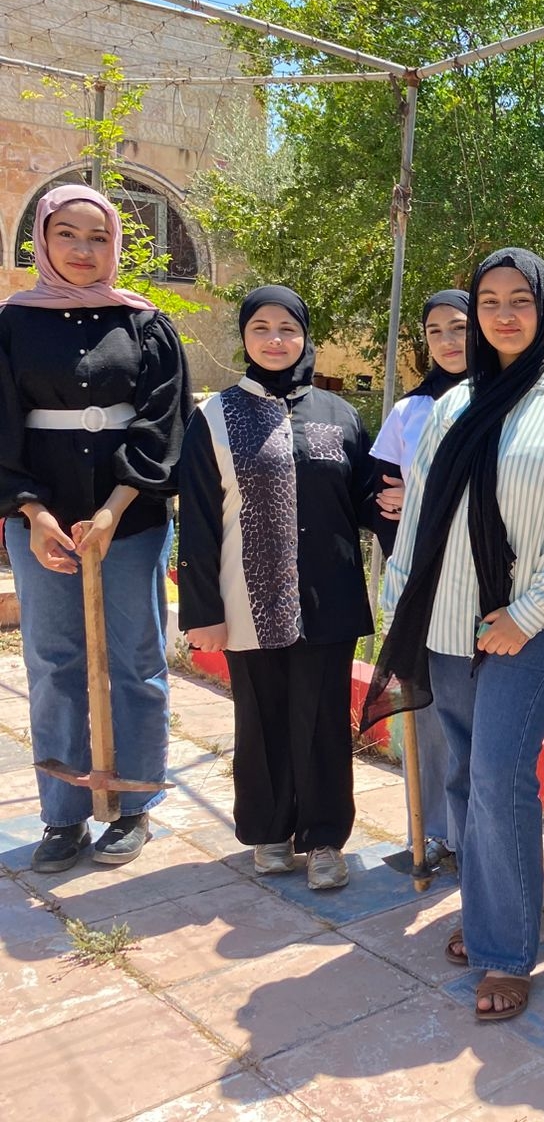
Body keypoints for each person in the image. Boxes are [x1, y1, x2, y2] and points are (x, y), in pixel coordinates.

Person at [367, 247, 544, 1022]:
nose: (505, 315)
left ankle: (507, 949)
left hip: (532, 625)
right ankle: (489, 911)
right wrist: (399, 601)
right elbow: (421, 515)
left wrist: (528, 611)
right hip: (448, 618)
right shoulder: (456, 402)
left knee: (501, 772)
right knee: (467, 772)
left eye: (520, 300)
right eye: (490, 302)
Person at [0, 183, 191, 872]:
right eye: (67, 235)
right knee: (55, 662)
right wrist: (32, 511)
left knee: (136, 659)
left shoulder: (145, 325)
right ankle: (64, 814)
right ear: (42, 240)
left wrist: (113, 509)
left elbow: (163, 421)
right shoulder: (12, 324)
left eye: (98, 237)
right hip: (41, 521)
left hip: (130, 520)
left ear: (116, 244)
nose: (83, 250)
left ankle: (133, 802)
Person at [179, 286, 377, 890]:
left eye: (287, 328)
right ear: (244, 336)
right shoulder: (215, 416)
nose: (275, 339)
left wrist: (391, 502)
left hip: (328, 595)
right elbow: (198, 519)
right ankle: (269, 829)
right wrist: (203, 611)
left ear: (305, 335)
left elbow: (364, 498)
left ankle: (324, 839)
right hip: (248, 596)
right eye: (260, 327)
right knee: (261, 716)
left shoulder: (338, 414)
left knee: (322, 720)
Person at [369, 288, 470, 870]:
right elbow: (383, 500)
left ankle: (475, 835)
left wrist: (424, 501)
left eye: (459, 327)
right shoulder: (410, 411)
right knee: (428, 713)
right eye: (435, 331)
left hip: (486, 586)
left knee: (476, 717)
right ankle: (433, 831)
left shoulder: (507, 400)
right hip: (421, 587)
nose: (448, 341)